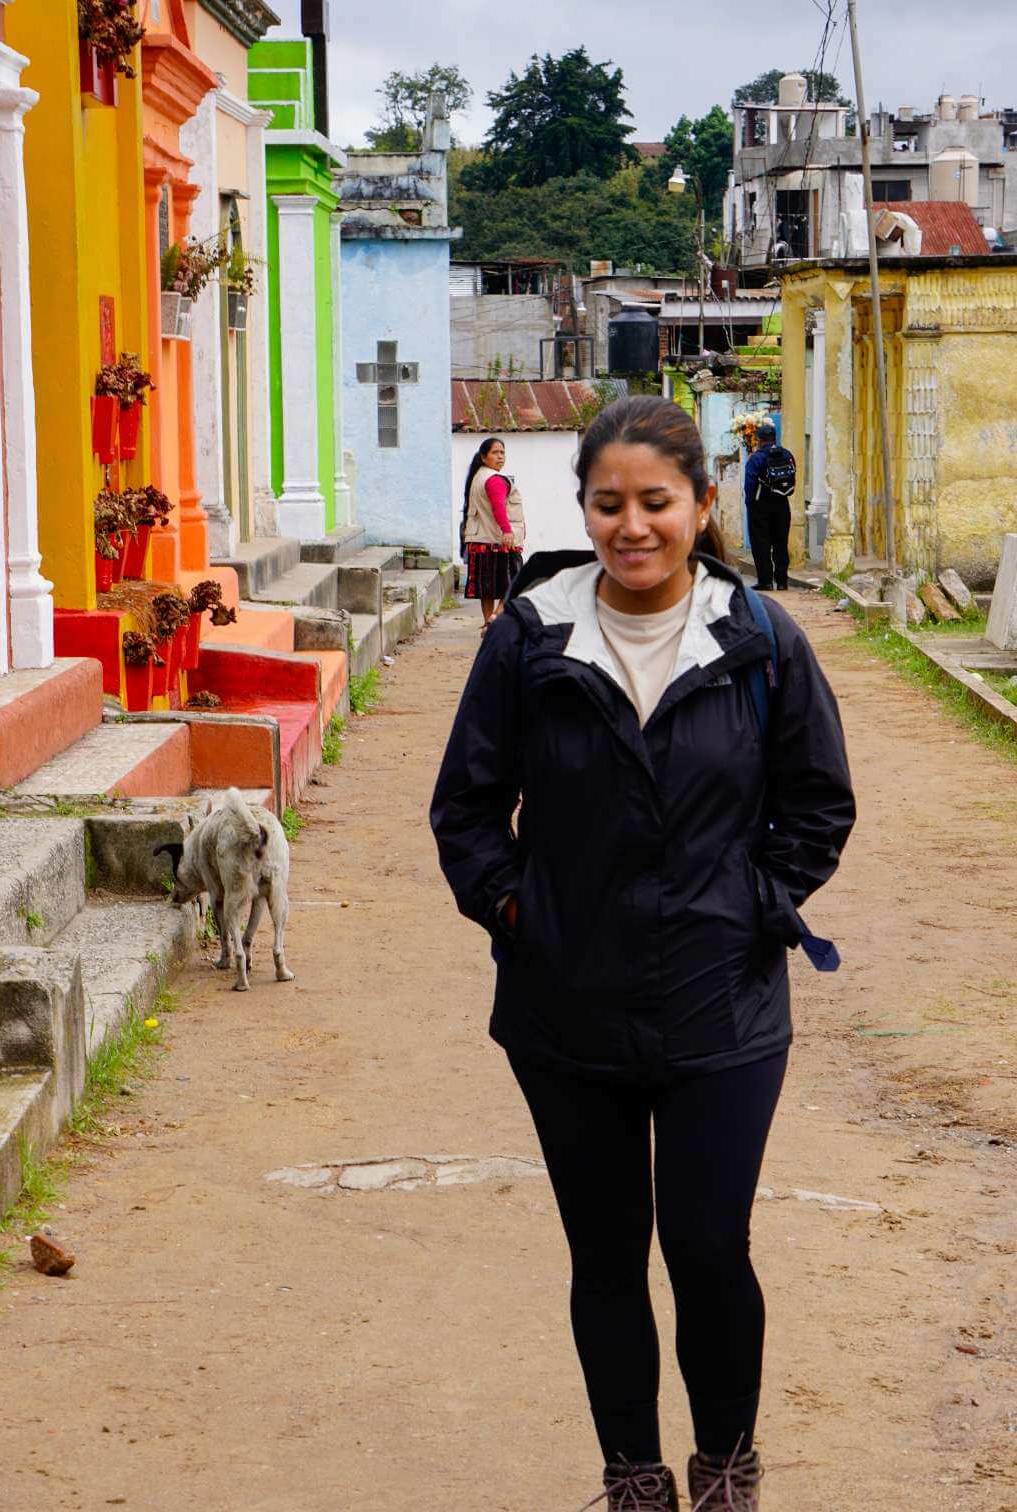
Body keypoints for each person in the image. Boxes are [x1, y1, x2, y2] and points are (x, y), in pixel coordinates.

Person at [431, 396, 855, 1511]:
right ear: (583, 508)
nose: (632, 526)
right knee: (607, 1255)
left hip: (724, 1005)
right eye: (608, 503)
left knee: (711, 1245)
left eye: (656, 503)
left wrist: (751, 905)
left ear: (701, 504)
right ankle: (634, 1482)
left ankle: (726, 1472)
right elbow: (468, 809)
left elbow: (819, 804)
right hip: (567, 1008)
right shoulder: (531, 640)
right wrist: (523, 916)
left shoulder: (760, 639)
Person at [460, 437, 525, 628]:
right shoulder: (494, 480)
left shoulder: (478, 477)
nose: (500, 457)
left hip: (481, 541)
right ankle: (494, 619)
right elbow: (498, 508)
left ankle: (488, 622)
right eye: (495, 453)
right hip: (500, 542)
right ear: (483, 457)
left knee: (487, 589)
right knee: (515, 584)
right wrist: (507, 531)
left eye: (502, 452)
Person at [743, 422, 796, 592]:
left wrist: (750, 504)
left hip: (760, 506)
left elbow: (750, 484)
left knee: (761, 545)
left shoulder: (756, 458)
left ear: (759, 440)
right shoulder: (787, 454)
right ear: (775, 437)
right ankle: (782, 581)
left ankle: (765, 581)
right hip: (782, 504)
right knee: (781, 543)